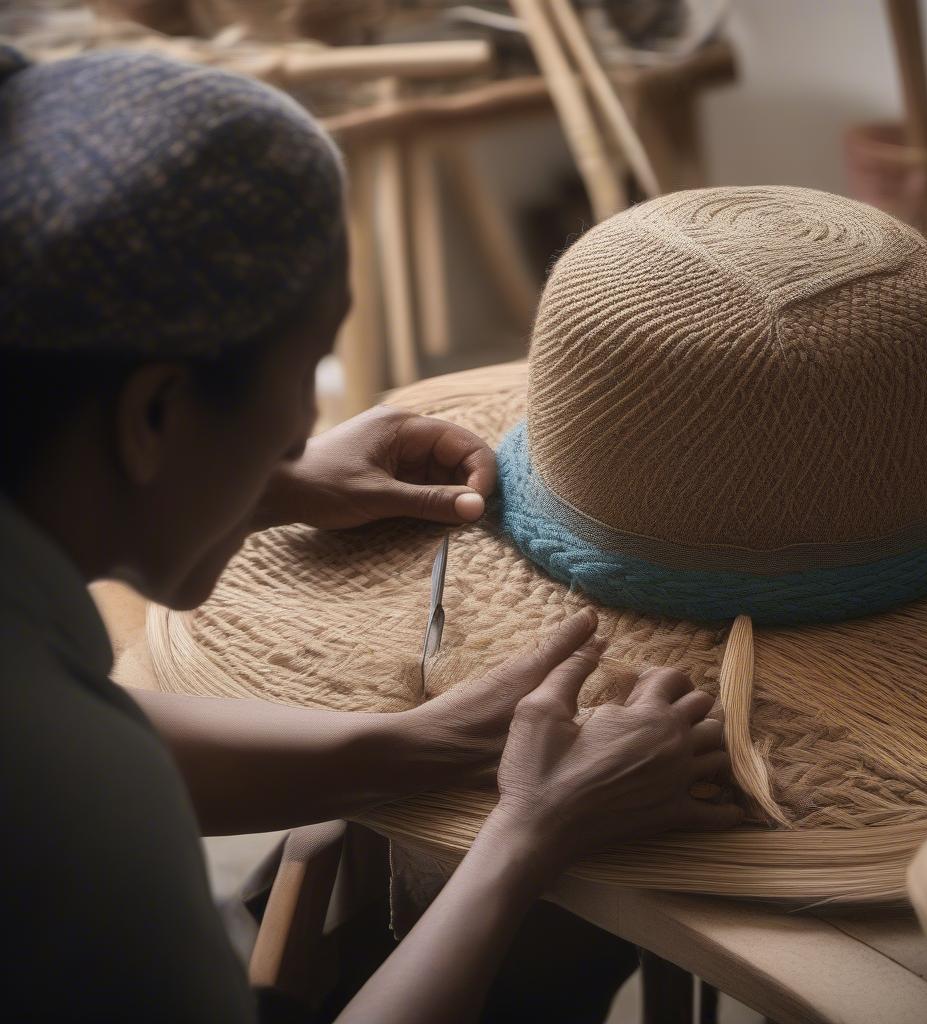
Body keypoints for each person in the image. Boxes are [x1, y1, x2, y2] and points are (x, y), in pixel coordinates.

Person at [0, 47, 738, 1022]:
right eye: (306, 368)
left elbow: (87, 724)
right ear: (153, 416)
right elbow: (81, 765)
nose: (308, 429)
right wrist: (528, 833)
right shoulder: (81, 812)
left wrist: (420, 742)